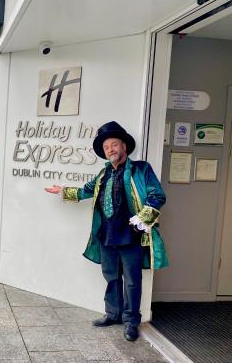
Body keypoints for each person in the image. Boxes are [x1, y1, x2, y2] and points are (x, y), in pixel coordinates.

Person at [45, 121, 168, 342]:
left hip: (131, 235)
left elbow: (157, 195)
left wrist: (143, 219)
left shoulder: (141, 169)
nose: (109, 150)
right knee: (111, 277)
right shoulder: (103, 174)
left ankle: (131, 321)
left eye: (113, 145)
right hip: (106, 235)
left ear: (124, 147)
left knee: (132, 281)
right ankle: (113, 314)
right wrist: (63, 191)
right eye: (106, 148)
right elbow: (86, 190)